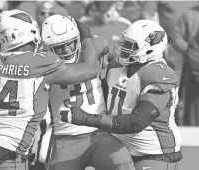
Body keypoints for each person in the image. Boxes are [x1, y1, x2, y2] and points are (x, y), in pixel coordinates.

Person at [0, 9, 99, 170]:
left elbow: (0, 58)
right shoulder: (40, 64)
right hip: (8, 151)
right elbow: (90, 69)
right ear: (29, 33)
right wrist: (85, 33)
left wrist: (0, 35)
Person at [61, 20, 183, 170]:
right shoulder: (117, 67)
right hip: (119, 146)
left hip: (153, 153)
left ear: (149, 50)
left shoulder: (160, 75)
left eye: (131, 46)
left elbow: (136, 122)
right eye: (125, 42)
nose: (123, 48)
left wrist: (86, 119)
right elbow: (103, 97)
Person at [37, 14, 134, 170]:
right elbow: (87, 69)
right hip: (65, 137)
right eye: (60, 47)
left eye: (70, 43)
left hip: (98, 133)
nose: (67, 50)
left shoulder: (97, 44)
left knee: (122, 162)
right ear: (48, 48)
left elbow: (111, 61)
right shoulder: (43, 65)